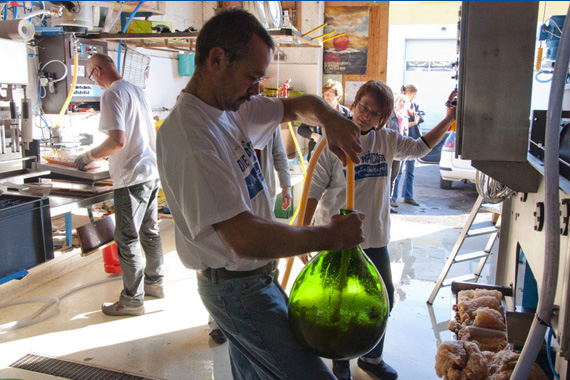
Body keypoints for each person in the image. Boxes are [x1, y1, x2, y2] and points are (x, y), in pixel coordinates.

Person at [156, 9, 364, 380]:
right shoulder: (191, 136)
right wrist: (331, 237)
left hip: (253, 281)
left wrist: (330, 118)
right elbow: (244, 238)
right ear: (217, 59)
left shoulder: (229, 108)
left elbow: (297, 106)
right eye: (252, 76)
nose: (256, 88)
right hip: (236, 290)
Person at [303, 80, 457, 380]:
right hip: (337, 237)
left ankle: (371, 359)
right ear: (355, 102)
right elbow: (312, 190)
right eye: (364, 107)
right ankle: (340, 361)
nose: (366, 116)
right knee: (338, 303)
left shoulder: (387, 140)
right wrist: (303, 236)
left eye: (375, 113)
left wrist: (449, 118)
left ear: (383, 118)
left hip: (374, 237)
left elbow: (419, 148)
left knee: (383, 297)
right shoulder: (331, 140)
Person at [74, 53, 164, 316]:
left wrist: (88, 156)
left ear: (98, 70)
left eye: (91, 76)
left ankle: (132, 301)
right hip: (149, 171)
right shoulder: (137, 91)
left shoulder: (112, 94)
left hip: (130, 177)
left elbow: (117, 141)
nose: (94, 82)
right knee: (150, 232)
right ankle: (155, 284)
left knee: (127, 238)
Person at [208, 127, 291, 345]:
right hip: (234, 200)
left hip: (262, 196)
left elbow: (279, 155)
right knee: (227, 256)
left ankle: (264, 307)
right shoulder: (227, 121)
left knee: (267, 254)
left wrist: (286, 185)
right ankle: (218, 322)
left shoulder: (267, 120)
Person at [298, 79, 351, 161]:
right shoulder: (315, 111)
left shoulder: (346, 113)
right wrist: (313, 136)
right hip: (318, 154)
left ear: (338, 97)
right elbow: (301, 129)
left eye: (330, 94)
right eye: (325, 94)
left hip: (339, 155)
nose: (327, 96)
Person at [391, 84, 424, 207]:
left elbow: (421, 117)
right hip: (399, 146)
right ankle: (392, 198)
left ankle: (408, 196)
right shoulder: (397, 111)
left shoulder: (413, 107)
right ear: (409, 93)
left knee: (410, 171)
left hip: (412, 142)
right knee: (397, 173)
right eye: (414, 94)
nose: (415, 97)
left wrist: (412, 113)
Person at [387, 94, 411, 213]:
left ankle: (389, 202)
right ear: (396, 102)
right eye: (400, 101)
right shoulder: (390, 116)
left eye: (404, 102)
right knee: (386, 176)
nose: (401, 103)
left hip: (400, 151)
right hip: (389, 150)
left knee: (393, 177)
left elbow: (405, 134)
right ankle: (384, 202)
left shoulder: (404, 117)